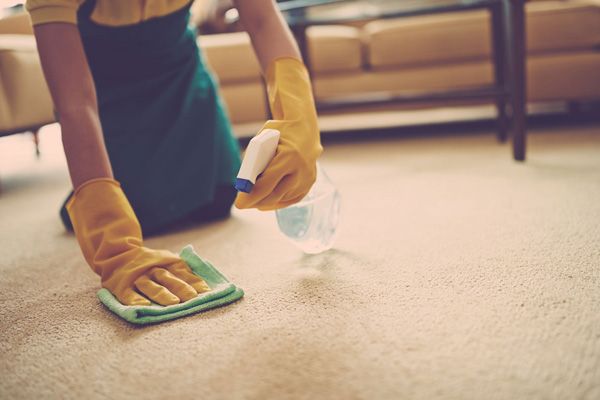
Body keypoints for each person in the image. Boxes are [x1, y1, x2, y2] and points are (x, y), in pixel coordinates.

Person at [27, 0, 322, 306]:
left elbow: (262, 19)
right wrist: (114, 247)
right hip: (109, 97)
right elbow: (75, 104)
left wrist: (297, 114)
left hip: (181, 77)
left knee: (219, 196)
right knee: (141, 208)